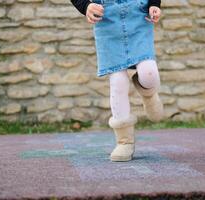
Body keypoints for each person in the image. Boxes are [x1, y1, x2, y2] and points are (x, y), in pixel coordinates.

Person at [70, 0, 164, 162]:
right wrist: (85, 6)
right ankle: (124, 141)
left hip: (138, 19)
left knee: (149, 73)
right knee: (118, 82)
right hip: (108, 23)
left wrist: (154, 4)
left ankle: (148, 94)